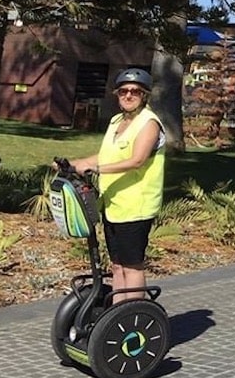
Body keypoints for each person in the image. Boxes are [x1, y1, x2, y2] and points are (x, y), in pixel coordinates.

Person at [68, 68, 165, 303]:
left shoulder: (149, 123)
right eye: (123, 91)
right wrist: (74, 164)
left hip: (136, 206)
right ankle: (116, 313)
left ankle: (132, 314)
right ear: (117, 94)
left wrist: (96, 169)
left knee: (132, 265)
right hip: (113, 204)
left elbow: (137, 160)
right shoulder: (116, 121)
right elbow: (104, 157)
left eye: (135, 91)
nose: (128, 95)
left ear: (144, 96)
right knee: (117, 264)